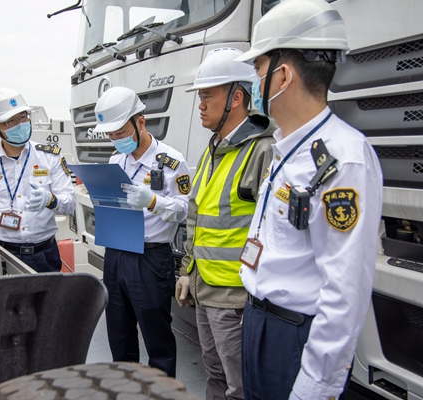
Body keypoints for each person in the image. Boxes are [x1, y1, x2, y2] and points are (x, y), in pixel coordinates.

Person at [233, 1, 383, 399]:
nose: (254, 80)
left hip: (295, 338)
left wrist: (315, 388)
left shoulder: (343, 158)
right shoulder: (286, 147)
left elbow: (345, 291)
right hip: (260, 322)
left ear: (282, 76)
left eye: (258, 69)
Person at [175, 47, 275, 400]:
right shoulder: (212, 149)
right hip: (205, 290)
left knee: (241, 387)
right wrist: (188, 271)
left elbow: (273, 234)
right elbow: (196, 216)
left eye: (207, 95)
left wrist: (257, 300)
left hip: (236, 300)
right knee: (215, 376)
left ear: (236, 97)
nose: (200, 104)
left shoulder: (262, 151)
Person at [93, 86, 190, 378]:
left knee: (157, 338)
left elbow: (185, 210)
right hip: (116, 256)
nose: (115, 139)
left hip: (150, 259)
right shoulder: (115, 161)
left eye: (120, 132)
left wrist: (153, 201)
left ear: (140, 122)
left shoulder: (172, 161)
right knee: (119, 336)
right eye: (110, 135)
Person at [0, 87, 75, 273]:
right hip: (3, 254)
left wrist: (51, 200)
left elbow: (70, 204)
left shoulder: (50, 157)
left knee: (46, 302)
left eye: (23, 117)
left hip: (45, 254)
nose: (20, 124)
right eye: (10, 121)